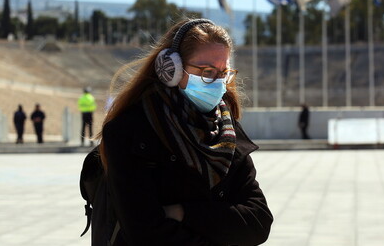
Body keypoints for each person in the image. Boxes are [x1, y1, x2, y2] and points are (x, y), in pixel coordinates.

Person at [96, 19, 272, 245]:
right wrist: (221, 224)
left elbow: (259, 222)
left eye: (223, 73)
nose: (218, 82)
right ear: (171, 69)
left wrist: (182, 213)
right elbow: (145, 233)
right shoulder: (129, 131)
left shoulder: (227, 131)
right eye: (207, 71)